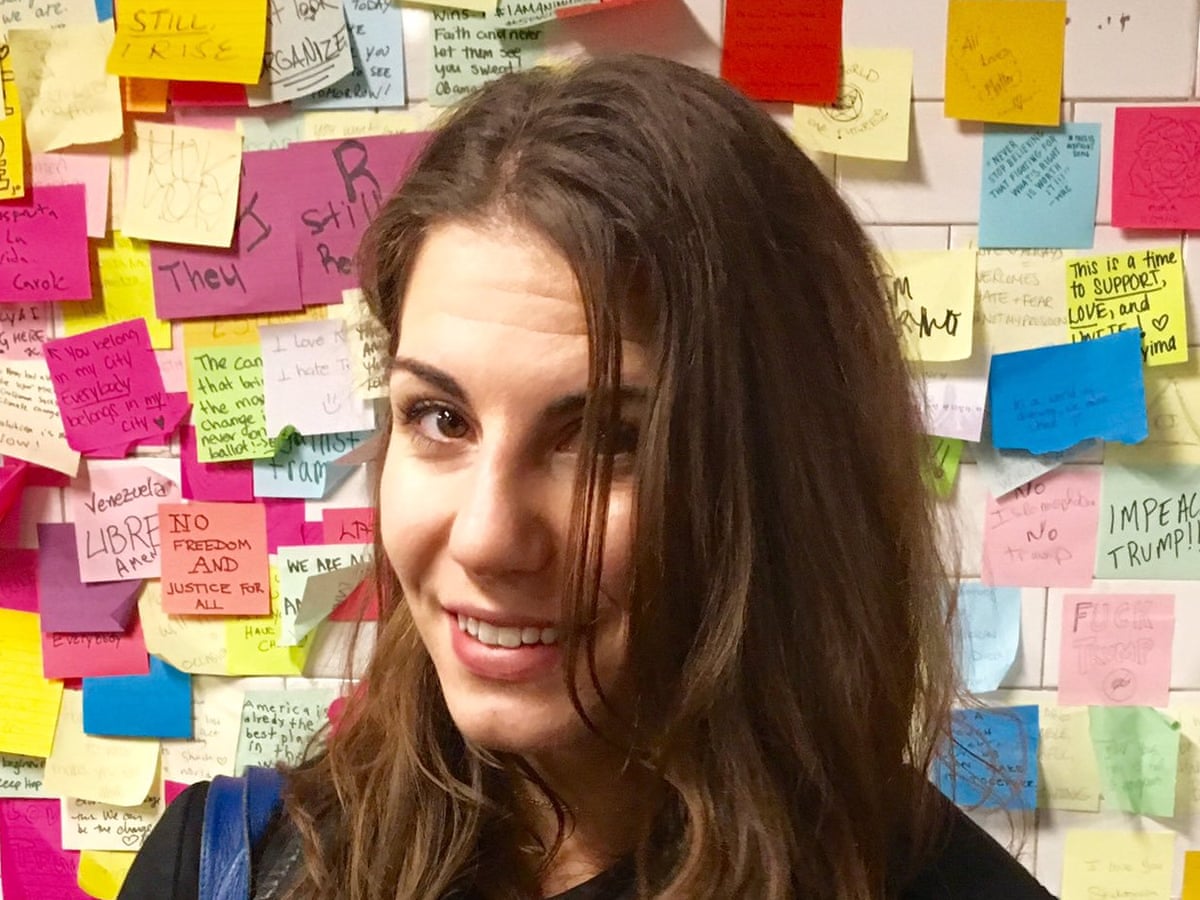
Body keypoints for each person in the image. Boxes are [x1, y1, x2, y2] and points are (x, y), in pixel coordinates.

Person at [120, 54, 1057, 899]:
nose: (486, 537)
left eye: (607, 439)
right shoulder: (228, 865)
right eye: (440, 418)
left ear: (781, 481)